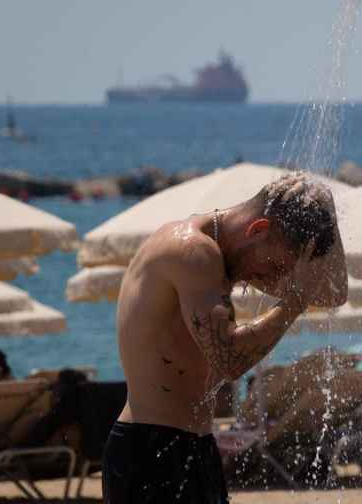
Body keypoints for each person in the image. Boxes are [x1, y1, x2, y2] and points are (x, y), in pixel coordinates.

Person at [102, 171, 347, 504]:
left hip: (194, 444)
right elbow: (229, 360)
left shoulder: (238, 253)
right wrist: (295, 303)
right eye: (275, 268)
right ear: (258, 230)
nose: (273, 279)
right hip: (150, 448)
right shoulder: (192, 252)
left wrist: (324, 204)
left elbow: (333, 293)